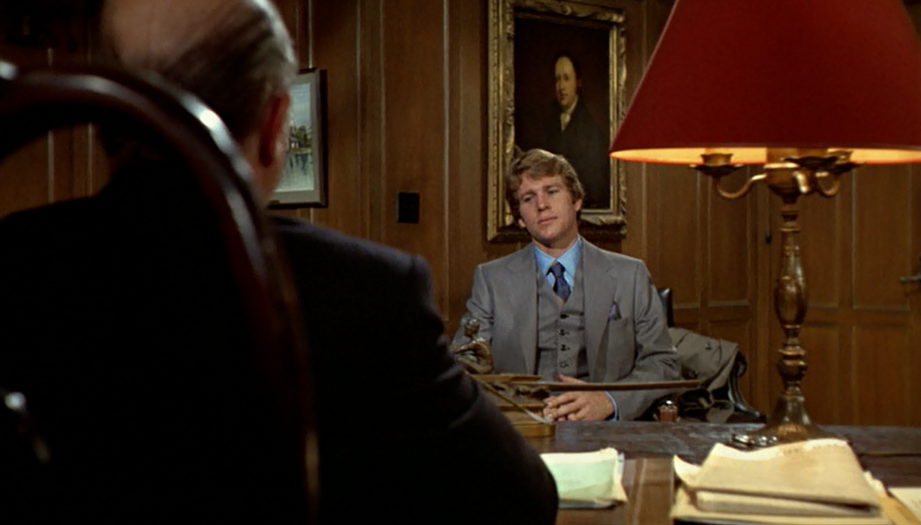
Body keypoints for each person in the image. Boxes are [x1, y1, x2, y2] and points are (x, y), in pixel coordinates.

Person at [0, 0, 558, 523]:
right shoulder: (365, 290)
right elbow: (518, 498)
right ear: (273, 126)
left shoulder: (12, 263)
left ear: (105, 122)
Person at [452, 149, 679, 422]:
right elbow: (465, 366)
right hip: (523, 429)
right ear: (520, 217)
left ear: (576, 200)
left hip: (606, 431)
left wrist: (609, 401)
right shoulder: (491, 279)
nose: (541, 205)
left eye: (551, 191)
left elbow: (663, 361)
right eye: (528, 198)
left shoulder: (630, 275)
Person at [542, 52, 611, 209]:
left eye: (566, 79)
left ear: (578, 82)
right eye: (557, 79)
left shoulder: (590, 131)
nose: (561, 87)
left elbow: (595, 186)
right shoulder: (549, 123)